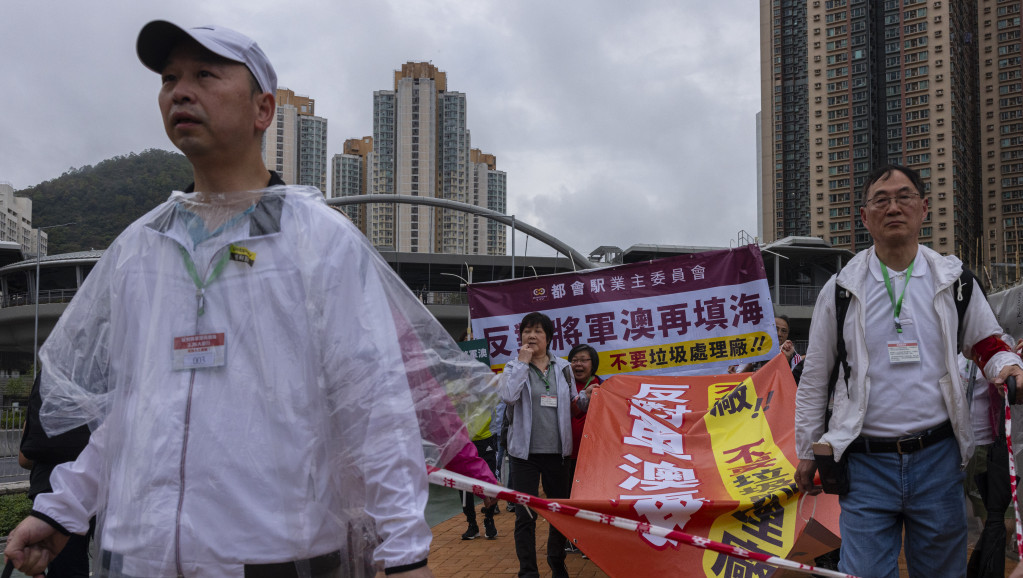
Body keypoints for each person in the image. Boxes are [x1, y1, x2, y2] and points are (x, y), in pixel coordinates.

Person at [4, 21, 499, 578]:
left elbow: (373, 405)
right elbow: (134, 410)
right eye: (169, 78)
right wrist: (61, 510)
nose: (179, 91)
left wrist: (406, 553)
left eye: (205, 75)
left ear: (264, 109)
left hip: (274, 557)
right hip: (139, 557)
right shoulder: (141, 247)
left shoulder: (317, 239)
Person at [794, 164, 1023, 578]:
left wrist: (1007, 365)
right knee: (863, 572)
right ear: (865, 217)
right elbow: (814, 376)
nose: (893, 207)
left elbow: (987, 342)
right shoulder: (842, 289)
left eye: (904, 197)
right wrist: (808, 451)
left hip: (938, 459)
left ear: (924, 209)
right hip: (864, 463)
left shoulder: (954, 281)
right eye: (881, 200)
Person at [499, 312, 573, 578]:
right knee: (525, 515)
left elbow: (573, 405)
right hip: (523, 454)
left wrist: (589, 397)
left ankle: (557, 563)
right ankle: (528, 571)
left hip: (558, 454)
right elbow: (508, 396)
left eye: (538, 331)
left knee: (559, 513)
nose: (531, 336)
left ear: (549, 338)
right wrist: (522, 362)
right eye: (527, 331)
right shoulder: (512, 367)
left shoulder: (563, 368)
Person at [564, 343, 601, 556]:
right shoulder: (563, 386)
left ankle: (591, 541)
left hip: (593, 456)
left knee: (591, 500)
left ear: (593, 364)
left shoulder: (603, 386)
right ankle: (573, 539)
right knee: (570, 498)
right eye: (574, 360)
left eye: (583, 360)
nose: (578, 364)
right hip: (567, 454)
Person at [729, 315, 801, 373]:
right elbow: (740, 379)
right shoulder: (752, 351)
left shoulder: (794, 357)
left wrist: (786, 357)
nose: (779, 334)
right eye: (775, 329)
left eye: (784, 331)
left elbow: (792, 382)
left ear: (787, 335)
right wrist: (752, 363)